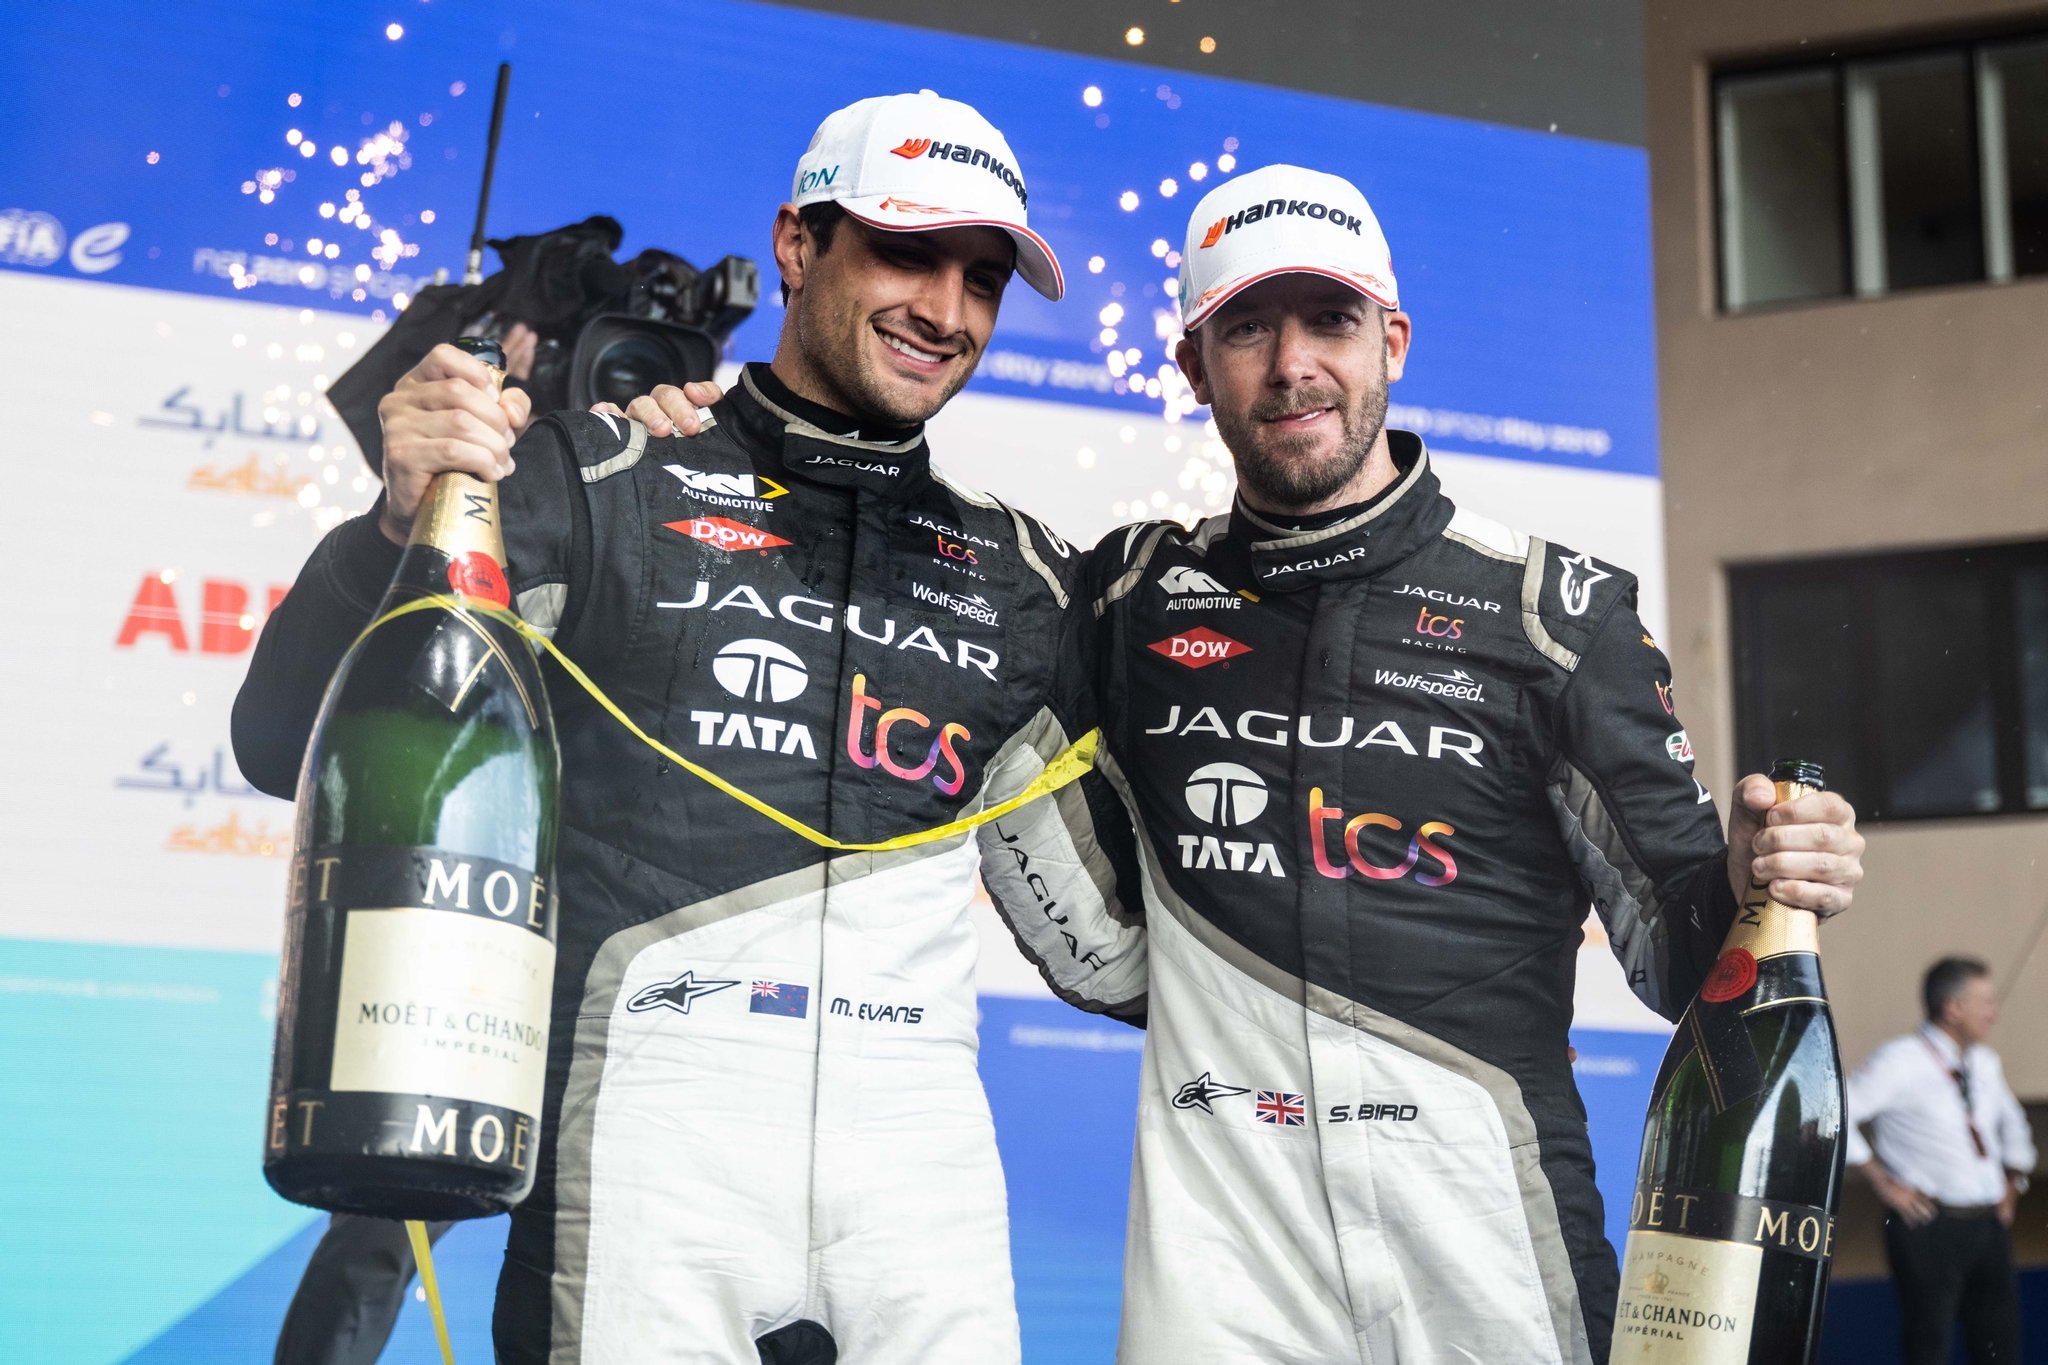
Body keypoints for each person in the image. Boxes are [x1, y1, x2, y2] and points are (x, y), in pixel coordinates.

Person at [620, 162, 1867, 1362]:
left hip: (1488, 1245)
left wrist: (1757, 878)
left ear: (1392, 341)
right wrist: (696, 440)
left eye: (1329, 320)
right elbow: (893, 604)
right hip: (1219, 1265)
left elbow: (1684, 961)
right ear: (1192, 367)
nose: (1291, 366)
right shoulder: (1120, 598)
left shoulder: (1552, 613)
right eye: (1247, 329)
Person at [233, 89, 1145, 1365]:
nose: (946, 311)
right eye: (905, 253)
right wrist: (393, 526)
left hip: (918, 1169)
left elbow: (1117, 959)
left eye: (980, 278)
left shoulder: (1021, 577)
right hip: (645, 1146)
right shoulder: (599, 479)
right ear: (796, 243)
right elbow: (282, 743)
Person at [1848, 956, 2037, 1365]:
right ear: (1953, 1008)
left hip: (1988, 1222)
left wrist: (2014, 1182)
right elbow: (1837, 1115)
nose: (1994, 1014)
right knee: (1929, 1345)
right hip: (1929, 1224)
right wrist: (1883, 1183)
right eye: (1985, 1003)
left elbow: (2015, 1126)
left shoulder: (1983, 1061)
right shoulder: (1900, 1060)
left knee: (2001, 1342)